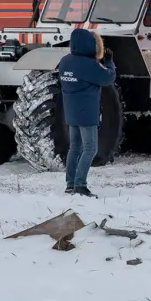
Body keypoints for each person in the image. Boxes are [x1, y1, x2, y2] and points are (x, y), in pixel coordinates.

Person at [57, 27, 114, 197]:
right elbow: (108, 77)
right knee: (90, 149)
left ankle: (70, 183)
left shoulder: (65, 61)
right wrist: (109, 62)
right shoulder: (89, 64)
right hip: (87, 112)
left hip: (71, 111)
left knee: (74, 148)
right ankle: (80, 185)